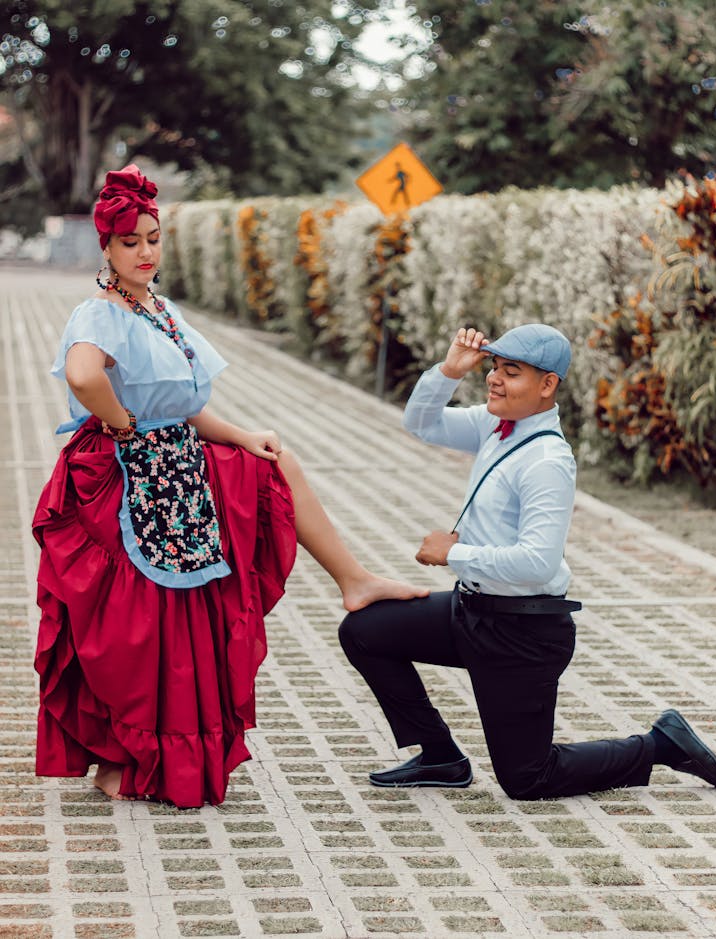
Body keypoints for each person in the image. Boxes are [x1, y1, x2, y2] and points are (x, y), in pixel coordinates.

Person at [33, 164, 427, 808]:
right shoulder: (99, 311)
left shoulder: (158, 308)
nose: (145, 252)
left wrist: (240, 434)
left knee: (269, 468)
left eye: (153, 238)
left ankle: (354, 579)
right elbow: (82, 376)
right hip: (129, 470)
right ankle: (128, 756)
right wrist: (124, 427)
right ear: (105, 247)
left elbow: (184, 402)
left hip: (175, 456)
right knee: (144, 620)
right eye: (130, 241)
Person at [339, 324, 716, 798]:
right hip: (471, 613)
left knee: (527, 778)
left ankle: (659, 744)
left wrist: (453, 553)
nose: (494, 380)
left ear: (547, 386)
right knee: (364, 630)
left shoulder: (547, 460)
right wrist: (448, 371)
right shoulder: (493, 424)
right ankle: (441, 756)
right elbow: (421, 423)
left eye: (513, 372)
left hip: (522, 635)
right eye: (495, 368)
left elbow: (537, 563)